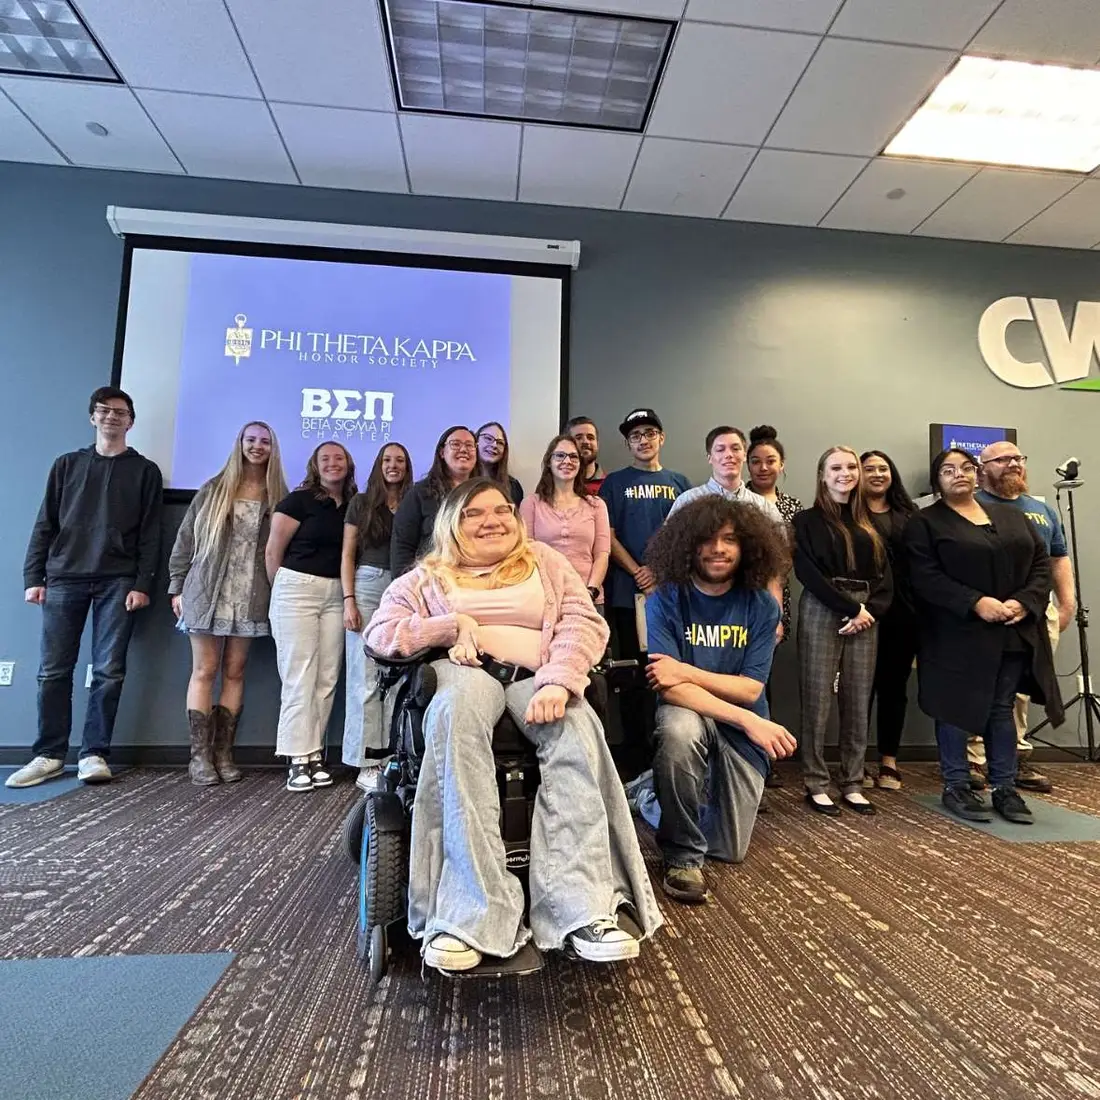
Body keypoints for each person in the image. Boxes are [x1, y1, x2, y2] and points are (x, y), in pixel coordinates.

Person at [365, 477, 663, 973]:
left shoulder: (547, 563)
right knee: (455, 716)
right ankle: (470, 916)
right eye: (474, 514)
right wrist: (451, 626)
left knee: (576, 726)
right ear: (450, 525)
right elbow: (380, 635)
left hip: (538, 675)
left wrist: (561, 680)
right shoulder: (427, 577)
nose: (491, 521)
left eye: (501, 511)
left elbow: (582, 622)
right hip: (462, 673)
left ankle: (583, 908)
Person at [640, 497, 797, 903]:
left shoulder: (761, 605)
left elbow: (750, 689)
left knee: (729, 848)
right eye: (707, 539)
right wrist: (748, 720)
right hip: (698, 713)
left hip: (741, 724)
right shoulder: (666, 599)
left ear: (747, 547)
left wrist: (687, 671)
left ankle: (650, 795)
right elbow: (667, 685)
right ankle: (683, 857)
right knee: (677, 727)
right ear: (687, 545)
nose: (718, 549)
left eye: (729, 539)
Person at [7, 386, 163, 790]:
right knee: (53, 671)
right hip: (63, 576)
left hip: (119, 580)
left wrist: (143, 583)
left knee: (109, 670)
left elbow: (151, 534)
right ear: (93, 416)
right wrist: (33, 577)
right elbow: (45, 523)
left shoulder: (144, 471)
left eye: (121, 412)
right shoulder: (66, 465)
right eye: (104, 411)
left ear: (131, 420)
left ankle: (95, 753)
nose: (112, 417)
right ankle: (50, 754)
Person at [905, 449, 1063, 824]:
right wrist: (976, 602)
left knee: (1001, 708)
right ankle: (957, 786)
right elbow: (924, 577)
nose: (958, 474)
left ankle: (1005, 789)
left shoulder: (1011, 516)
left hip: (1011, 630)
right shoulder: (925, 522)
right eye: (948, 470)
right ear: (937, 480)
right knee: (954, 710)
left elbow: (1041, 564)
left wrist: (1024, 603)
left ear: (976, 474)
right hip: (955, 633)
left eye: (965, 468)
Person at [168, 422, 288, 786]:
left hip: (251, 595)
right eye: (251, 440)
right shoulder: (213, 489)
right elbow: (185, 540)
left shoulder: (278, 495)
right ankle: (199, 757)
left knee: (236, 671)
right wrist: (176, 586)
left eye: (264, 441)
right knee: (205, 669)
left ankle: (224, 752)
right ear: (240, 444)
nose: (257, 446)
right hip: (206, 592)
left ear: (272, 448)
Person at [793, 446, 892, 817]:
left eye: (851, 467)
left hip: (867, 613)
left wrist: (870, 612)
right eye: (836, 467)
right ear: (822, 475)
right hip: (824, 607)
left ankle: (852, 781)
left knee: (857, 698)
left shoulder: (872, 523)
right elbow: (807, 573)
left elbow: (887, 579)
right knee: (817, 698)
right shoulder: (805, 521)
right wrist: (851, 608)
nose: (845, 473)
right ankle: (816, 782)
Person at [972, 440, 1075, 794]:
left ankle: (1014, 757)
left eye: (1018, 458)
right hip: (986, 610)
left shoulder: (1041, 509)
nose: (1013, 464)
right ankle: (975, 760)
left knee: (1021, 690)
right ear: (982, 468)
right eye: (1003, 460)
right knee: (979, 683)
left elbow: (1057, 557)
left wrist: (1067, 604)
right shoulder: (971, 505)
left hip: (1034, 610)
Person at [599, 408, 691, 777]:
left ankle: (668, 751)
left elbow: (684, 535)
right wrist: (637, 570)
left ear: (662, 438)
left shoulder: (680, 482)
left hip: (669, 595)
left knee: (666, 669)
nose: (643, 440)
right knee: (633, 675)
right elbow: (607, 535)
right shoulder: (614, 484)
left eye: (650, 433)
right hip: (626, 593)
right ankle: (636, 757)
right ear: (627, 443)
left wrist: (659, 572)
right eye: (636, 435)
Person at [266, 442, 356, 792]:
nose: (333, 464)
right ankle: (297, 758)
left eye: (339, 458)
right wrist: (282, 592)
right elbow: (273, 551)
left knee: (327, 677)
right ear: (315, 466)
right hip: (296, 588)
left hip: (335, 592)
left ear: (348, 465)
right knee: (299, 673)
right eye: (325, 459)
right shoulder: (297, 500)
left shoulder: (352, 505)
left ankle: (315, 752)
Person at [341, 443, 413, 791]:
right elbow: (347, 554)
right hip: (367, 584)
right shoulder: (361, 503)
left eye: (400, 460)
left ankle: (393, 757)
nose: (393, 466)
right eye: (387, 460)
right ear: (378, 465)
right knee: (366, 677)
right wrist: (348, 600)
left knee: (399, 678)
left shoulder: (414, 501)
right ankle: (366, 762)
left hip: (405, 587)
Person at [746, 424, 803, 789]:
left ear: (782, 465)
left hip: (775, 601)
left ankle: (766, 755)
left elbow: (787, 563)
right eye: (756, 461)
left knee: (764, 681)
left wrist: (777, 614)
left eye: (770, 461)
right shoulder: (737, 500)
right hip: (738, 601)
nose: (763, 467)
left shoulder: (792, 507)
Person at [861, 450, 918, 791]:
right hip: (862, 611)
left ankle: (888, 761)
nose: (878, 474)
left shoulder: (909, 516)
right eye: (869, 469)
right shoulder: (849, 515)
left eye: (883, 468)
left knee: (894, 688)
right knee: (858, 690)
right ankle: (857, 761)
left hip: (902, 613)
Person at [519, 434, 610, 607]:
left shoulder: (596, 505)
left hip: (588, 599)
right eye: (560, 455)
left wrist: (590, 591)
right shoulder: (531, 504)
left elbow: (602, 555)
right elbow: (526, 552)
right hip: (544, 598)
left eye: (573, 456)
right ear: (549, 462)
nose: (567, 461)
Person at [391, 425, 477, 576]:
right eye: (456, 444)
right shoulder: (419, 494)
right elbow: (402, 546)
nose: (463, 450)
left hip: (474, 582)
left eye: (470, 445)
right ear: (442, 452)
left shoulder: (485, 493)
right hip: (430, 581)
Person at [475, 421, 524, 504]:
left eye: (500, 443)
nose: (494, 445)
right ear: (476, 441)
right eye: (488, 438)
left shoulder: (513, 486)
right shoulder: (461, 480)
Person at [565, 416, 606, 494]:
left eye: (590, 438)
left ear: (597, 444)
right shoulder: (556, 485)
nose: (585, 442)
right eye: (578, 438)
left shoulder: (610, 484)